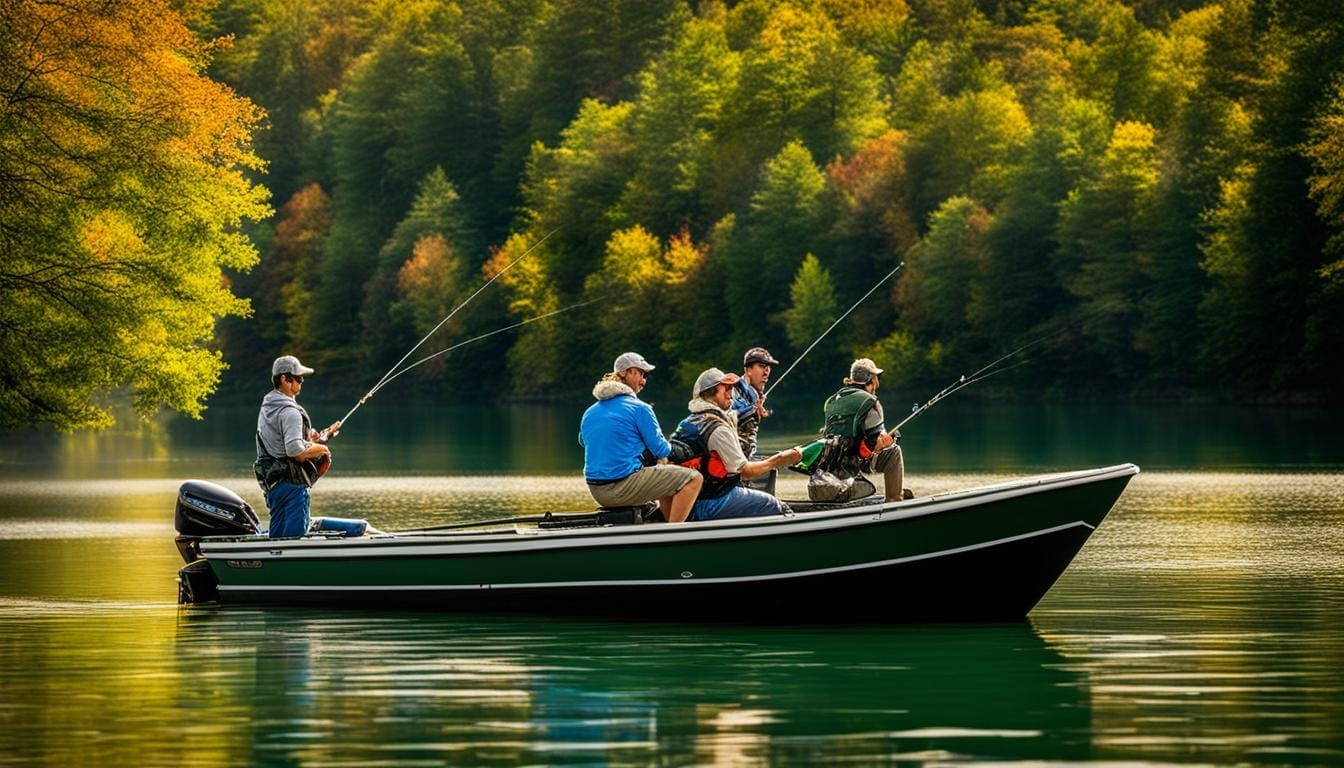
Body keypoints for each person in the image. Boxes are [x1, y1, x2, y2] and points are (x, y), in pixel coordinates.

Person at [255, 355, 375, 538]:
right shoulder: (290, 412)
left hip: (274, 486)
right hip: (293, 488)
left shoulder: (267, 408)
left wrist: (321, 438)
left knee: (277, 540)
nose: (301, 383)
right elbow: (295, 451)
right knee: (295, 542)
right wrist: (323, 450)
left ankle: (275, 566)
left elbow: (281, 448)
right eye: (298, 379)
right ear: (284, 379)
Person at [580, 352, 702, 523]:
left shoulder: (590, 412)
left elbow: (583, 441)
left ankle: (662, 523)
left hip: (597, 491)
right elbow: (661, 449)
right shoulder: (640, 408)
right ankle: (674, 534)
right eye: (641, 373)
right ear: (625, 372)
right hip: (621, 487)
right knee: (694, 479)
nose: (644, 380)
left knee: (663, 471)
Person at [671, 367, 802, 522]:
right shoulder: (717, 428)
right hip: (709, 502)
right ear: (710, 392)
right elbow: (745, 472)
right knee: (774, 505)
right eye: (725, 387)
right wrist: (779, 460)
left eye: (731, 388)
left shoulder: (688, 422)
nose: (730, 392)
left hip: (688, 500)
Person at [819, 358, 909, 502]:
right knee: (894, 452)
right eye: (876, 378)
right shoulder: (870, 402)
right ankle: (894, 500)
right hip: (855, 462)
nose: (877, 384)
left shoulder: (832, 401)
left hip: (831, 463)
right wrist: (892, 438)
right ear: (872, 380)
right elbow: (878, 441)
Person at [731, 347, 779, 457]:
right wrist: (752, 409)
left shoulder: (754, 394)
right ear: (748, 370)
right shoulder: (734, 389)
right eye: (762, 366)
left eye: (768, 367)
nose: (766, 372)